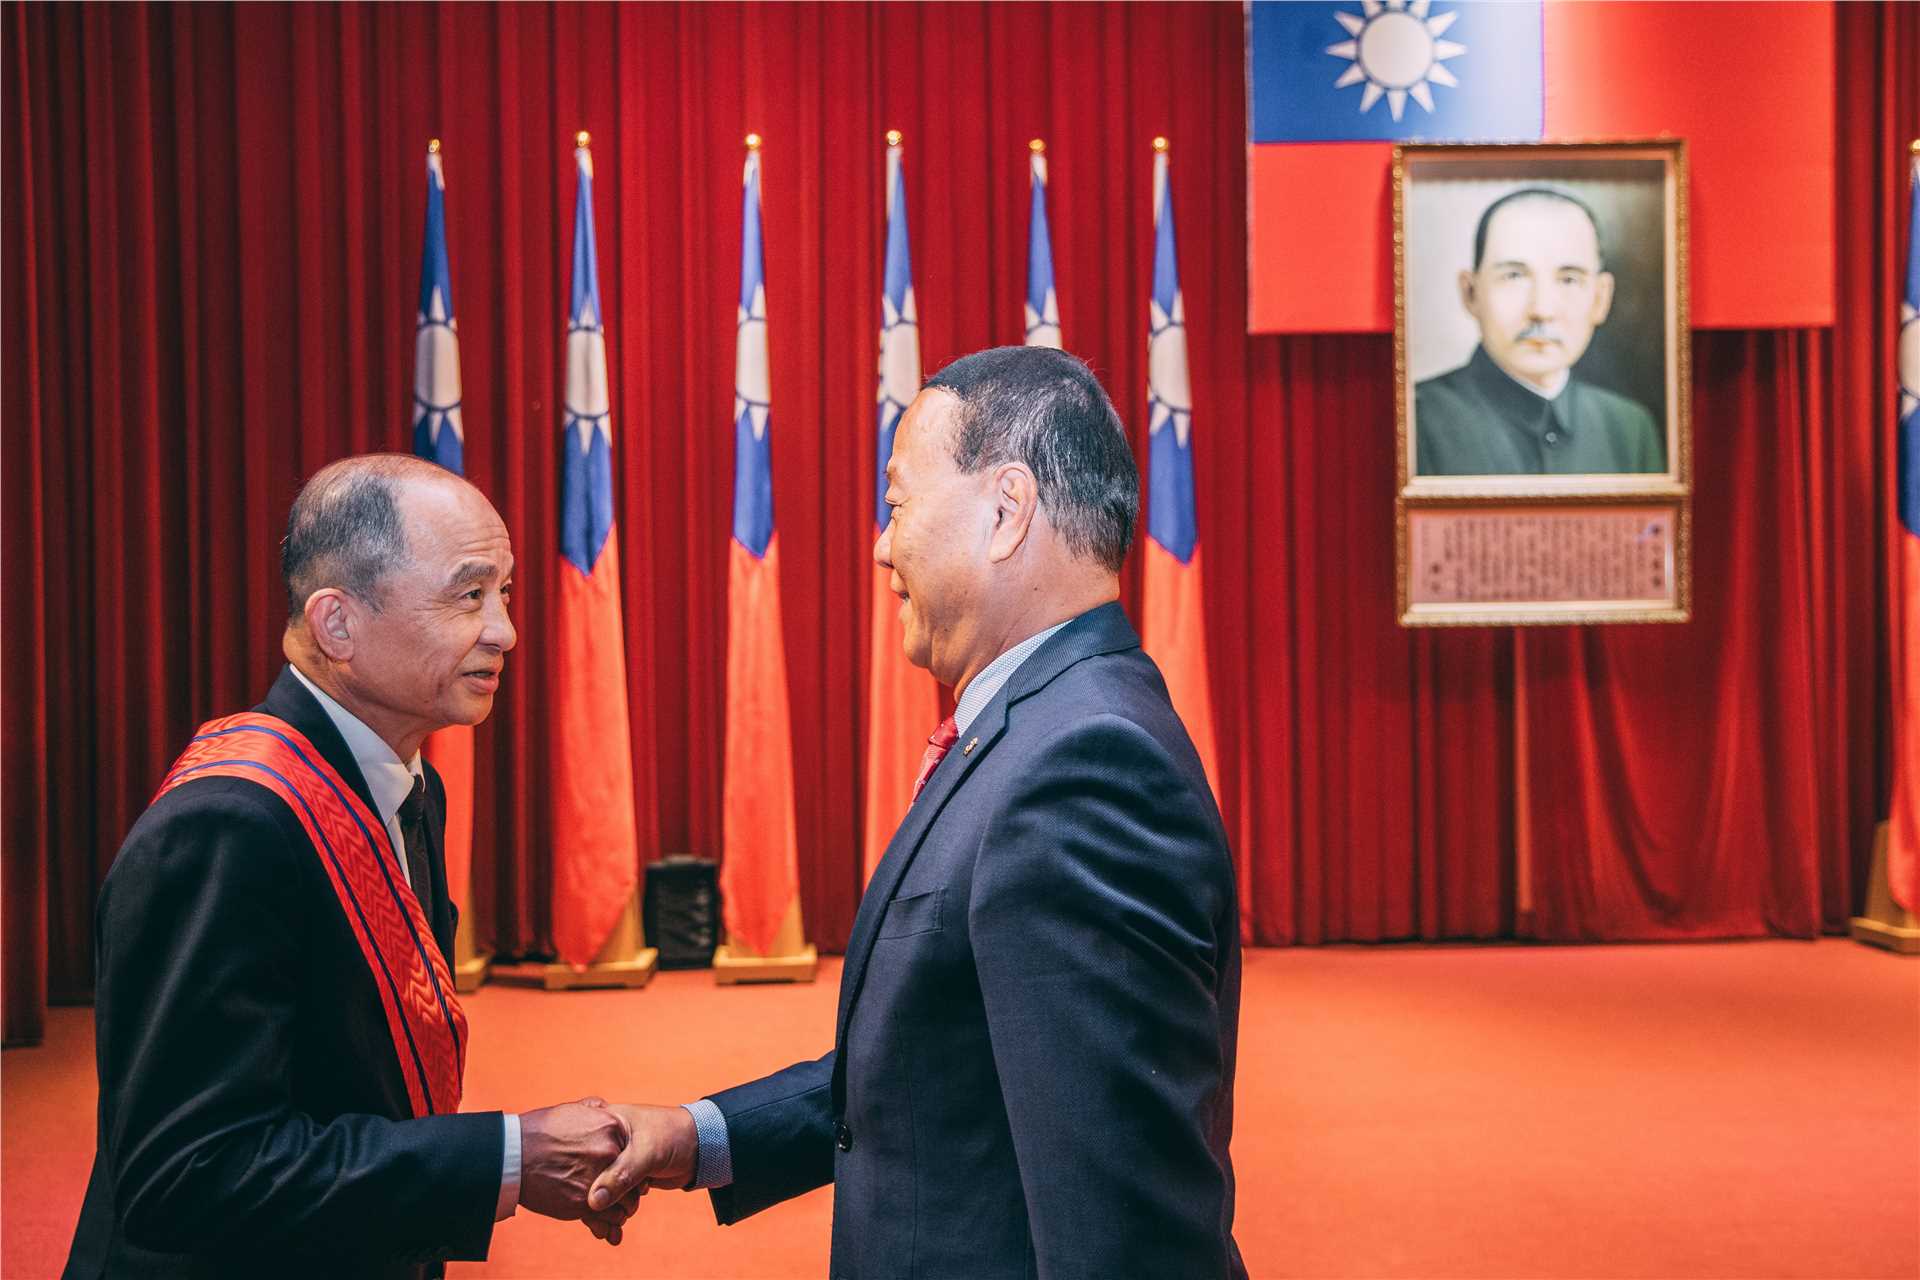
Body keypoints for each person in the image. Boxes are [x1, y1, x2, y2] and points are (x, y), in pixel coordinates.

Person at [588, 347, 1247, 1278]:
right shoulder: (1043, 726)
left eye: (897, 504)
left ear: (1008, 512)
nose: (880, 544)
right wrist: (705, 1136)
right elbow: (944, 1059)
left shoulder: (1084, 766)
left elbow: (1126, 1226)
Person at [65, 455, 630, 1279]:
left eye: (504, 593)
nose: (506, 629)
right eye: (469, 595)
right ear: (337, 625)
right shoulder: (228, 825)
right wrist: (507, 1157)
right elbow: (184, 1176)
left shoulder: (407, 783)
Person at [1415, 186, 1666, 476]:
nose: (1542, 309)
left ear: (1600, 299)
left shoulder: (1630, 427)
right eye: (1514, 276)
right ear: (1471, 293)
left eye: (1569, 280)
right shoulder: (1418, 420)